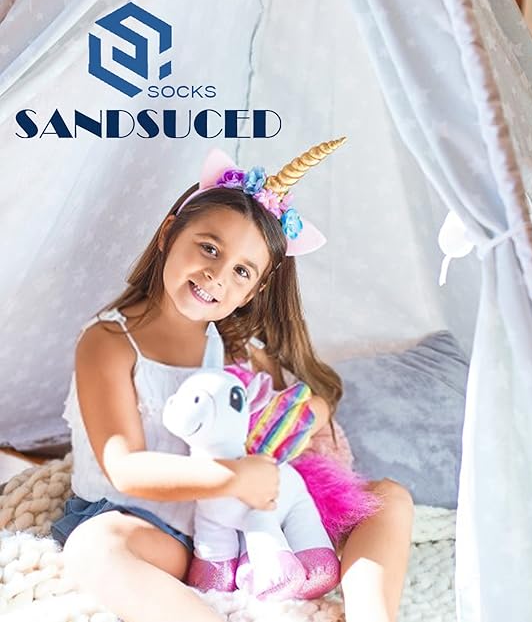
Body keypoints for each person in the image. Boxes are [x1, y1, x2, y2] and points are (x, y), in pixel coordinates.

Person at [51, 142, 414, 622]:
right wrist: (236, 477)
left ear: (252, 291)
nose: (216, 276)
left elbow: (285, 417)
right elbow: (126, 468)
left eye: (241, 271)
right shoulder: (109, 343)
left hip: (234, 525)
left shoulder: (232, 347)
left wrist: (292, 432)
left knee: (389, 498)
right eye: (209, 248)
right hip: (148, 523)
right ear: (168, 234)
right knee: (94, 546)